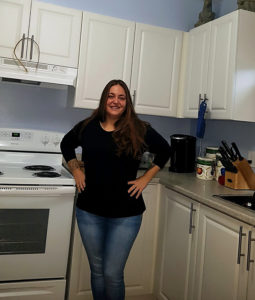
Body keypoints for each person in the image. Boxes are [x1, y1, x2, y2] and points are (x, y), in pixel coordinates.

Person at [60, 79, 170, 300]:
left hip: (126, 214)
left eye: (121, 97)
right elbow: (66, 145)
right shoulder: (87, 126)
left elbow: (165, 150)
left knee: (112, 273)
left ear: (127, 102)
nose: (115, 101)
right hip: (89, 210)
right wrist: (76, 170)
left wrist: (146, 178)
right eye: (111, 96)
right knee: (97, 270)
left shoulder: (139, 129)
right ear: (104, 99)